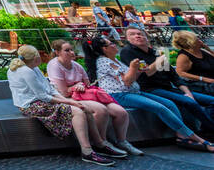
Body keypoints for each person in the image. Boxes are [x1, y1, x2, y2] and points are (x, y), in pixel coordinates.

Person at [84, 36, 214, 153]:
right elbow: (127, 81)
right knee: (160, 107)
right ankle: (196, 138)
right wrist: (134, 68)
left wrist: (139, 70)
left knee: (169, 104)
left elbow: (133, 78)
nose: (114, 44)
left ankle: (181, 135)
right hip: (120, 95)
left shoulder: (117, 60)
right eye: (110, 43)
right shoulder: (106, 61)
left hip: (135, 91)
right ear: (105, 49)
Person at [6, 44, 117, 165]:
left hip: (43, 101)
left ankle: (99, 144)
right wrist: (70, 102)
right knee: (77, 111)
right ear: (34, 58)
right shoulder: (26, 71)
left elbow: (49, 89)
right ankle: (87, 151)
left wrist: (70, 101)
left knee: (85, 108)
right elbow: (43, 96)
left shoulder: (33, 68)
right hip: (31, 105)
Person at [45, 40, 136, 155]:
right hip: (69, 98)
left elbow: (87, 84)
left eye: (72, 49)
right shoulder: (54, 65)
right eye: (67, 50)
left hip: (85, 95)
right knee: (101, 110)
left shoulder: (76, 65)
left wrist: (80, 86)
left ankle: (122, 141)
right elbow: (63, 93)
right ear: (57, 52)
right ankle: (101, 143)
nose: (72, 52)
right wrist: (75, 86)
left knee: (121, 112)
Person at [120, 27, 214, 130]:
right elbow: (146, 74)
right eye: (132, 34)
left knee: (210, 100)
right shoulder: (127, 52)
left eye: (140, 34)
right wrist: (158, 62)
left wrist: (188, 93)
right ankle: (210, 128)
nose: (137, 36)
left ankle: (205, 127)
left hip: (168, 88)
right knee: (190, 102)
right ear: (127, 39)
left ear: (146, 37)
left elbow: (173, 76)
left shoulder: (155, 52)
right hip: (150, 90)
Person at [172, 30, 214, 95]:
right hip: (202, 85)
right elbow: (180, 72)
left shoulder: (201, 50)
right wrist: (203, 79)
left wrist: (207, 48)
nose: (200, 40)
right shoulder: (183, 56)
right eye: (197, 39)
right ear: (191, 42)